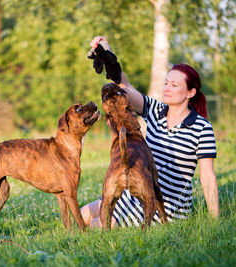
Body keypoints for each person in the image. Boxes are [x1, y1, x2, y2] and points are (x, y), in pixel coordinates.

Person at [81, 36, 219, 228]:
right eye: (166, 83)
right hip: (134, 195)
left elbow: (207, 177)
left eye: (174, 85)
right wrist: (108, 54)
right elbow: (125, 88)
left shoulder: (202, 128)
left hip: (166, 208)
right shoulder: (155, 110)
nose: (167, 88)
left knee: (100, 225)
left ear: (190, 93)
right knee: (81, 216)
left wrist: (215, 221)